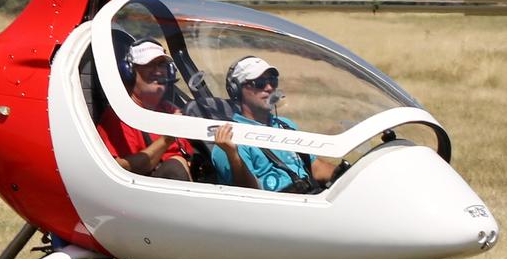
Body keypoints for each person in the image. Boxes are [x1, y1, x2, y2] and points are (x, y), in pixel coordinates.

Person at [207, 56, 339, 192]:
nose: (269, 88)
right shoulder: (228, 141)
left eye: (272, 81)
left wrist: (345, 174)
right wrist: (233, 156)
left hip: (310, 195)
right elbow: (247, 195)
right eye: (259, 83)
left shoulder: (286, 126)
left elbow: (315, 167)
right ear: (237, 89)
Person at [97, 39, 194, 180]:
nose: (158, 71)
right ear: (129, 72)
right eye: (149, 65)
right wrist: (166, 139)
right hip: (142, 194)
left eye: (161, 65)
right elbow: (118, 169)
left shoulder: (171, 111)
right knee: (174, 168)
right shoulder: (120, 116)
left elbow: (187, 156)